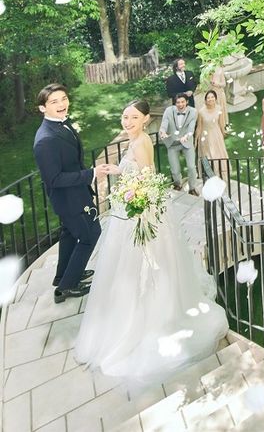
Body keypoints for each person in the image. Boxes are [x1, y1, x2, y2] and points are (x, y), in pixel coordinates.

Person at [74, 100, 228, 383]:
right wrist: (117, 170)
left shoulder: (142, 142)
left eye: (133, 117)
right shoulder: (134, 140)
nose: (127, 122)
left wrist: (138, 204)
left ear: (145, 119)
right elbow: (136, 172)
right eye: (124, 117)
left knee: (145, 266)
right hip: (131, 207)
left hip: (141, 211)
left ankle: (150, 318)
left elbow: (147, 178)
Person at [33, 84, 111, 304]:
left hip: (76, 193)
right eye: (54, 101)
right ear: (42, 108)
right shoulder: (45, 139)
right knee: (90, 235)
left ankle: (63, 275)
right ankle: (66, 287)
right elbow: (54, 179)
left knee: (69, 234)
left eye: (64, 98)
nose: (62, 104)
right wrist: (91, 174)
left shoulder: (60, 124)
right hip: (69, 200)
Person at [159, 94, 199, 194]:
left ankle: (192, 188)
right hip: (172, 143)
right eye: (178, 102)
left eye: (182, 102)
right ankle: (178, 184)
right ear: (175, 103)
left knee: (191, 167)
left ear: (187, 102)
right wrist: (162, 132)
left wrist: (186, 136)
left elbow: (191, 127)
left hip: (186, 142)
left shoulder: (193, 111)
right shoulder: (168, 110)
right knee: (175, 169)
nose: (180, 104)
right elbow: (164, 123)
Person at [195, 90, 230, 181]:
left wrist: (223, 132)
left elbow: (221, 123)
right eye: (208, 98)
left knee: (218, 155)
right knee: (208, 156)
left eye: (212, 97)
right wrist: (196, 140)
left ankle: (220, 174)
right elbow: (199, 127)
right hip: (205, 137)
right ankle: (210, 175)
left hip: (216, 135)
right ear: (205, 100)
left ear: (215, 98)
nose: (210, 99)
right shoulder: (201, 112)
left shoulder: (219, 109)